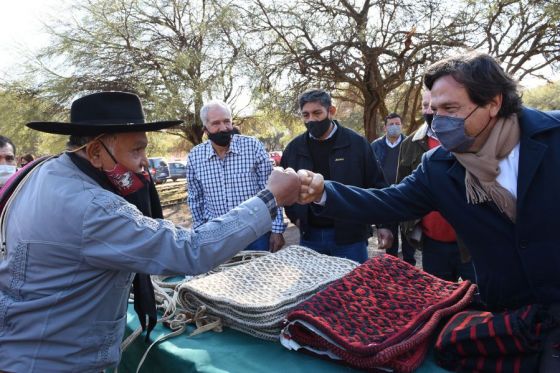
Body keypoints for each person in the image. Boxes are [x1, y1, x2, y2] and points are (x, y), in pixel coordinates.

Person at [0, 91, 300, 372]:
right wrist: (270, 198)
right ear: (94, 151)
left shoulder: (41, 172)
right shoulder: (93, 207)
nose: (144, 161)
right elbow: (190, 249)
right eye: (137, 150)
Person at [297, 52, 560, 312]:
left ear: (493, 102)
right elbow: (388, 201)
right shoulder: (439, 166)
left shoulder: (552, 136)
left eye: (450, 109)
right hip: (511, 316)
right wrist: (321, 191)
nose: (438, 121)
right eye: (434, 110)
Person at [281, 89, 393, 263]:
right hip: (310, 237)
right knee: (316, 289)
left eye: (317, 113)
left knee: (354, 289)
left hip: (351, 237)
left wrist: (384, 224)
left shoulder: (356, 143)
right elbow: (285, 189)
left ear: (331, 111)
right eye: (306, 115)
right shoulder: (294, 148)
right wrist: (297, 217)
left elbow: (376, 184)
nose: (311, 120)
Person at [186, 100, 286, 252]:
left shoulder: (252, 147)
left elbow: (272, 191)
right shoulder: (195, 156)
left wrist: (277, 229)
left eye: (227, 121)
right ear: (205, 129)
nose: (223, 128)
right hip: (218, 238)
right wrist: (202, 237)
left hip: (256, 233)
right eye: (216, 123)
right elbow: (196, 199)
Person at [396, 90, 475, 282]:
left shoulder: (472, 137)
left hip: (471, 241)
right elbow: (401, 188)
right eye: (426, 106)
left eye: (437, 106)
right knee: (439, 301)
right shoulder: (411, 143)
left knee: (478, 300)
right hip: (433, 243)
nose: (431, 111)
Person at [371, 113, 415, 265]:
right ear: (385, 127)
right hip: (386, 199)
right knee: (390, 239)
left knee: (409, 238)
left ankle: (410, 270)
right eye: (391, 124)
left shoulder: (410, 144)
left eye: (397, 123)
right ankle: (393, 271)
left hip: (407, 198)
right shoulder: (375, 146)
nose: (394, 127)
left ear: (401, 126)